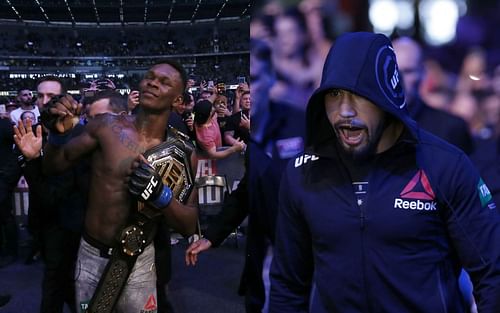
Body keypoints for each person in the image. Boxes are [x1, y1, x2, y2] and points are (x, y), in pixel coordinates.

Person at [269, 32, 500, 313]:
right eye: (334, 94)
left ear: (386, 96)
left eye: (358, 95)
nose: (344, 110)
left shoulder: (444, 165)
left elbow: (493, 272)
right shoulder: (301, 173)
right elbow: (287, 289)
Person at [14, 61, 198, 313]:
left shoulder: (183, 151)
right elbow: (54, 166)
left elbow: (189, 224)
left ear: (178, 99)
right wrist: (56, 138)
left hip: (141, 260)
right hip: (91, 255)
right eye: (150, 77)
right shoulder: (106, 127)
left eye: (164, 82)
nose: (153, 83)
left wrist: (160, 194)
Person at [186, 38, 306, 313]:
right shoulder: (258, 142)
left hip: (313, 262)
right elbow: (246, 193)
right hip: (266, 264)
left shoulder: (316, 129)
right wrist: (213, 234)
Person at [392, 37, 474, 154]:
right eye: (393, 71)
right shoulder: (373, 127)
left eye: (408, 71)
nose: (398, 79)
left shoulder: (451, 128)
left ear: (423, 73)